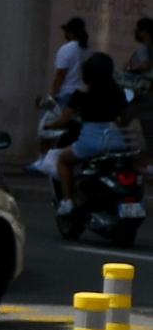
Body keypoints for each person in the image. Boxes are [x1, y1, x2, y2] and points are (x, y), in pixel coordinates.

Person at [44, 50, 135, 215]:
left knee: (62, 160)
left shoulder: (80, 93)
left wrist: (50, 126)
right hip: (115, 141)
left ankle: (68, 201)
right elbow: (124, 120)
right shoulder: (118, 92)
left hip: (90, 142)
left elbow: (63, 121)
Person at [50, 16, 90, 99]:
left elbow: (60, 75)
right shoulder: (86, 49)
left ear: (70, 32)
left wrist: (52, 96)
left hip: (66, 94)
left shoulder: (66, 49)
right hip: (82, 93)